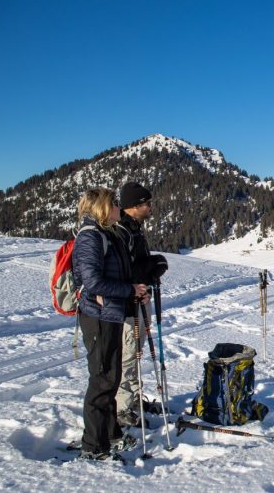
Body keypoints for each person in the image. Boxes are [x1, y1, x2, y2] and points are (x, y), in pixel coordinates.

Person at [72, 188, 147, 460]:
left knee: (111, 380)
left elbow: (119, 274)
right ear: (104, 208)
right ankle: (93, 446)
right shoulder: (91, 237)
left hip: (111, 314)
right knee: (102, 382)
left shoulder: (108, 234)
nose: (119, 207)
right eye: (114, 203)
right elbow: (92, 281)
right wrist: (129, 290)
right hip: (98, 317)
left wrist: (136, 288)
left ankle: (111, 435)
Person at [114, 182, 164, 428]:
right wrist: (147, 269)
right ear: (134, 206)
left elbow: (138, 264)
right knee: (128, 354)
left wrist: (150, 270)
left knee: (137, 352)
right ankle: (121, 407)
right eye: (146, 203)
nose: (150, 207)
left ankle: (133, 399)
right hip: (128, 304)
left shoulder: (134, 228)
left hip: (141, 297)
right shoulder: (122, 230)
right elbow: (123, 270)